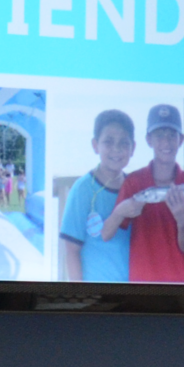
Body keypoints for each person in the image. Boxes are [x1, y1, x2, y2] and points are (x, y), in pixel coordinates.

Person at [103, 104, 184, 284]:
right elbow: (106, 234)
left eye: (172, 135)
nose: (166, 142)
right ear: (148, 139)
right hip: (144, 283)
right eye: (159, 135)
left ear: (181, 139)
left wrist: (182, 221)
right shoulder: (133, 181)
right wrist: (120, 212)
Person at [58, 109, 136, 282]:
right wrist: (80, 296)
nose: (116, 149)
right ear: (95, 145)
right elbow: (71, 250)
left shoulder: (136, 187)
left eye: (124, 143)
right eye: (108, 142)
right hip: (97, 294)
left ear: (133, 148)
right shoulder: (82, 189)